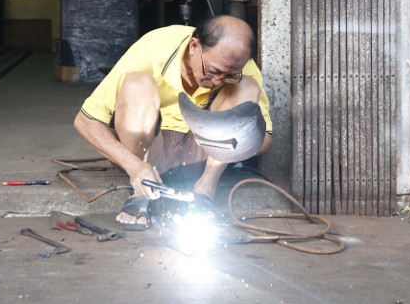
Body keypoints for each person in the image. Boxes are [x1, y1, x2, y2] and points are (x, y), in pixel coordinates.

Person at [73, 15, 273, 230]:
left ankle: (205, 189)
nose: (217, 82)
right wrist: (134, 166)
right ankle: (139, 191)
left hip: (203, 152)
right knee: (137, 83)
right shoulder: (153, 48)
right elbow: (85, 121)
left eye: (228, 76)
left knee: (246, 87)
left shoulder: (242, 69)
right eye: (213, 71)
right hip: (148, 151)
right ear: (194, 46)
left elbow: (266, 139)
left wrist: (237, 137)